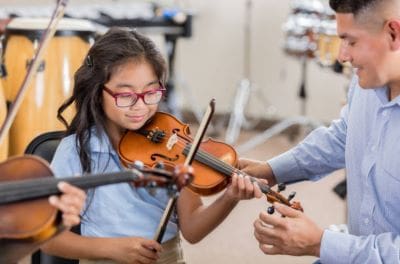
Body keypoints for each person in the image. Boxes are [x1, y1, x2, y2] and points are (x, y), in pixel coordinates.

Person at [41, 27, 263, 264]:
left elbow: (193, 229)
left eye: (151, 92)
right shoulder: (75, 151)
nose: (140, 106)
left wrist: (230, 197)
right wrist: (111, 248)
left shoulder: (172, 149)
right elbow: (49, 238)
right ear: (97, 92)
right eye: (125, 95)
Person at [239, 0, 400, 263]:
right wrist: (272, 170)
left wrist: (321, 244)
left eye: (351, 41)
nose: (342, 56)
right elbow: (343, 137)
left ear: (393, 33)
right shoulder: (366, 83)